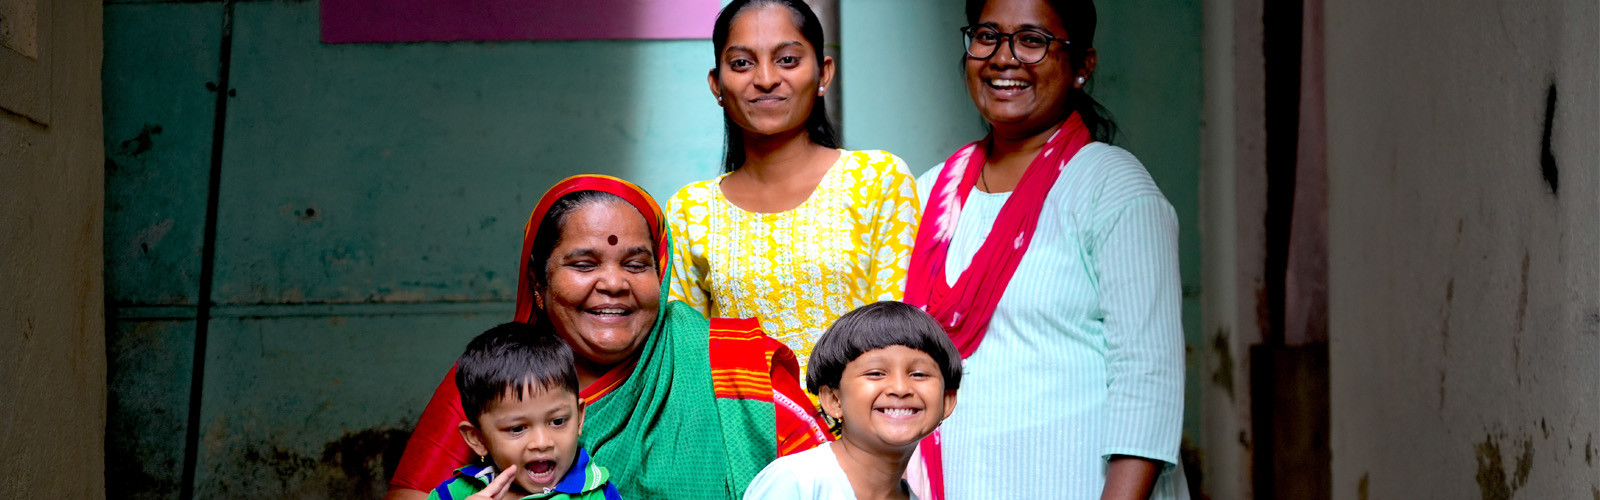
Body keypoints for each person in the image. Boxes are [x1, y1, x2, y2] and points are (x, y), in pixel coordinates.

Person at [387, 175, 831, 500]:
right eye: (584, 265)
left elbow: (832, 483)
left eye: (637, 265)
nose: (614, 284)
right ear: (539, 286)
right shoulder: (492, 379)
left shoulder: (733, 365)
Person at [903, 0, 1189, 498]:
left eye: (1032, 40)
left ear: (1082, 66)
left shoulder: (1111, 187)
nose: (1003, 58)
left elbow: (1149, 377)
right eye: (987, 35)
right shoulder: (933, 192)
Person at [669, 0, 921, 378]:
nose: (766, 78)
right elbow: (686, 358)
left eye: (787, 59)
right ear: (716, 84)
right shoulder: (690, 210)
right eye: (742, 63)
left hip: (860, 429)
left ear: (823, 73)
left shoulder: (877, 180)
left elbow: (899, 334)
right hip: (738, 432)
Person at [743, 301, 961, 500]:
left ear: (947, 400)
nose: (900, 388)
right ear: (834, 400)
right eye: (875, 373)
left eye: (919, 374)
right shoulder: (795, 482)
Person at [427, 322, 621, 500]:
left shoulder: (596, 494)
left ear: (579, 418)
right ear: (478, 439)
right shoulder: (455, 494)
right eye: (517, 428)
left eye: (558, 421)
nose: (542, 442)